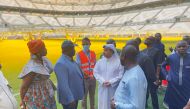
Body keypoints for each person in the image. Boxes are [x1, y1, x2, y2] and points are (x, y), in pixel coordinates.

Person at [19, 39, 57, 109]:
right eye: (44, 48)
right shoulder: (32, 67)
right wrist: (23, 102)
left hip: (46, 94)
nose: (46, 49)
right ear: (38, 51)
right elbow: (23, 87)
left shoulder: (43, 60)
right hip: (38, 98)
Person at [54, 40, 84, 109]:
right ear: (67, 50)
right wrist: (70, 99)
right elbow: (63, 84)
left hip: (74, 95)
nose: (74, 50)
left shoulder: (70, 60)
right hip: (69, 99)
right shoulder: (61, 63)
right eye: (73, 48)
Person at [94, 44, 124, 109]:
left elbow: (121, 75)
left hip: (113, 89)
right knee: (102, 105)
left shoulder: (118, 62)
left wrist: (111, 82)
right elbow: (95, 72)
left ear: (112, 51)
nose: (104, 52)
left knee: (112, 105)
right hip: (102, 88)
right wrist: (102, 81)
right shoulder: (100, 61)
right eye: (104, 50)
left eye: (106, 50)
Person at [161, 41, 190, 109]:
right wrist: (166, 76)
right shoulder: (171, 57)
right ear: (176, 48)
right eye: (179, 47)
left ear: (187, 47)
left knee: (186, 105)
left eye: (184, 46)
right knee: (173, 104)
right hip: (173, 86)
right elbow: (162, 66)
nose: (182, 48)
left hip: (187, 86)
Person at [76, 37, 96, 109]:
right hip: (84, 79)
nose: (85, 45)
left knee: (92, 96)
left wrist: (94, 75)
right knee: (84, 97)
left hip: (93, 78)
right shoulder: (79, 54)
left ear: (90, 44)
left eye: (86, 44)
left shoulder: (93, 53)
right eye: (83, 44)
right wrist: (83, 73)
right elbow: (78, 67)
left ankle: (92, 107)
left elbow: (95, 65)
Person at [142, 36, 161, 109]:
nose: (146, 39)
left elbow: (158, 64)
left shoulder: (156, 51)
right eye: (146, 38)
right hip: (143, 76)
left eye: (148, 39)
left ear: (152, 42)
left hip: (152, 76)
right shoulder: (142, 51)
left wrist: (157, 76)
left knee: (153, 94)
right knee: (144, 94)